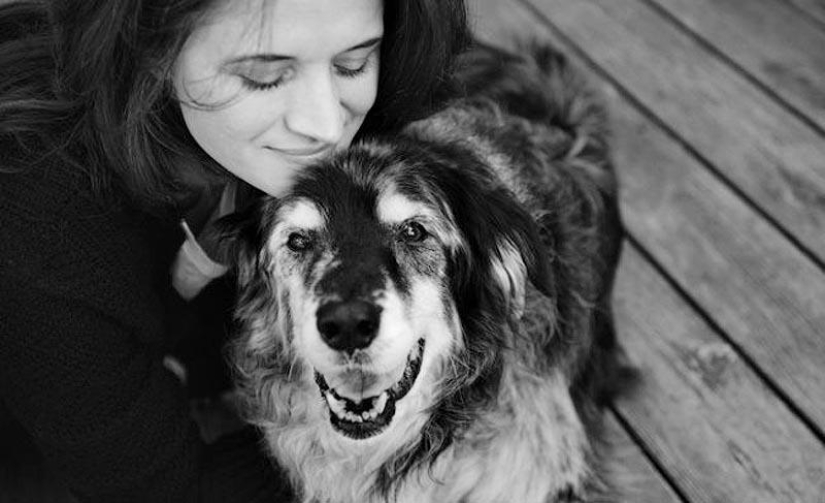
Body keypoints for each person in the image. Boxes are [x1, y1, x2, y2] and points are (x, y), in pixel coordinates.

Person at [0, 0, 470, 501]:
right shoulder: (38, 227)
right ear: (149, 51)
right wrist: (416, 443)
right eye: (264, 77)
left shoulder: (325, 122)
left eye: (352, 63)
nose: (327, 126)